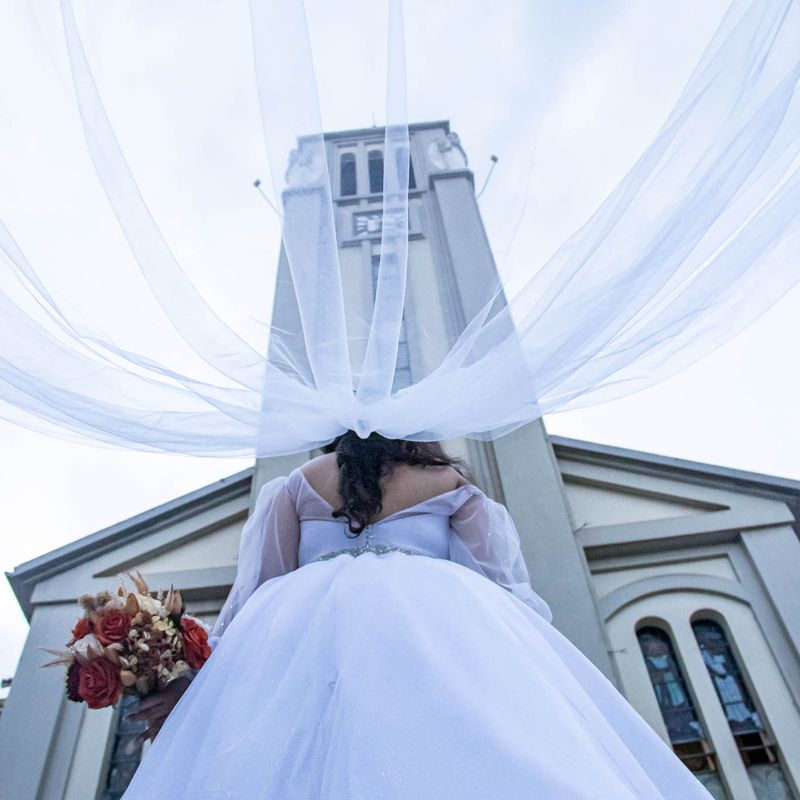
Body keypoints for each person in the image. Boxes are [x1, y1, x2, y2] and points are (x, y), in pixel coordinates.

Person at [121, 430, 713, 799]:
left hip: (297, 648)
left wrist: (201, 682)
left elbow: (256, 593)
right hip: (430, 636)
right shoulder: (450, 482)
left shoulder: (297, 484)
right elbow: (507, 589)